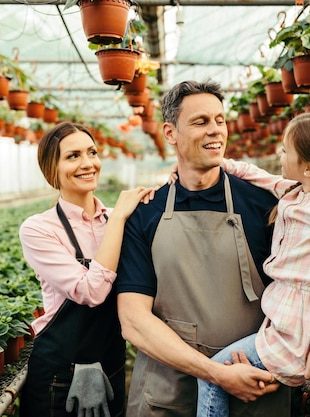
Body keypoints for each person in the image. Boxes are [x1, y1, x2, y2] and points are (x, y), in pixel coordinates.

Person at [115, 79, 292, 417]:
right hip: (169, 389)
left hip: (253, 380)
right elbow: (134, 320)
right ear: (170, 133)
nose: (216, 131)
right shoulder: (146, 213)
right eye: (200, 122)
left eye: (220, 120)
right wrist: (218, 374)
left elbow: (301, 291)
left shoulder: (265, 206)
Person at [196, 112, 310, 417]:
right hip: (284, 321)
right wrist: (220, 163)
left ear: (308, 168)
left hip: (303, 334)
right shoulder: (297, 191)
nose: (280, 155)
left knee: (213, 373)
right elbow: (257, 176)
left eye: (285, 150)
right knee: (223, 373)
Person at [18, 122, 157, 417]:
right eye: (72, 156)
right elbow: (90, 291)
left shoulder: (118, 219)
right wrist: (119, 218)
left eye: (92, 152)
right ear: (51, 170)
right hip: (59, 372)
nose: (87, 163)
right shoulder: (39, 229)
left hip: (110, 363)